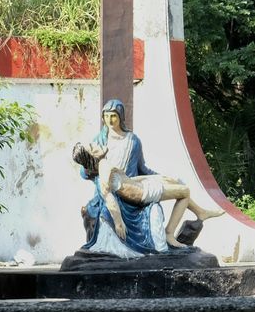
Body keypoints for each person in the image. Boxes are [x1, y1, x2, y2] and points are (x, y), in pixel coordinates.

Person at [74, 99, 224, 255]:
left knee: (174, 182)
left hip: (133, 183)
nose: (110, 120)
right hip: (127, 193)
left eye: (113, 116)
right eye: (106, 116)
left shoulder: (133, 141)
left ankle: (199, 212)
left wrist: (159, 176)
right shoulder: (99, 142)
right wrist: (118, 221)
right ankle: (176, 229)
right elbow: (87, 173)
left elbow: (140, 169)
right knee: (182, 191)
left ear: (121, 117)